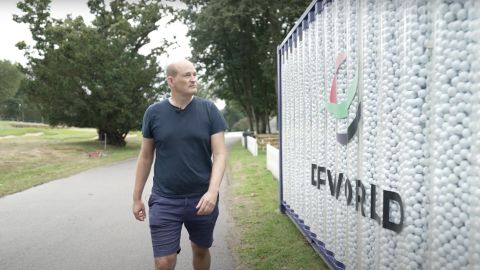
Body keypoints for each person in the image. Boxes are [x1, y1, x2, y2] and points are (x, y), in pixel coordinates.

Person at [132, 58, 228, 270]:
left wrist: (212, 192)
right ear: (171, 81)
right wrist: (137, 197)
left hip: (202, 199)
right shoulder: (154, 113)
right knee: (164, 262)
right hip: (164, 200)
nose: (194, 79)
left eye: (195, 74)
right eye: (187, 75)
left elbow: (220, 154)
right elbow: (145, 156)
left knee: (200, 249)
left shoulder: (209, 110)